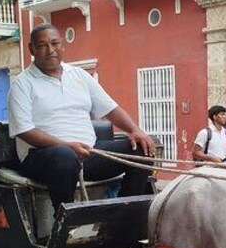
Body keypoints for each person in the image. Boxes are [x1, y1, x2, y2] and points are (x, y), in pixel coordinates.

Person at [8, 23, 156, 209]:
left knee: (142, 149)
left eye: (55, 44)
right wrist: (67, 145)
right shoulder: (22, 84)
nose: (50, 50)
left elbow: (110, 109)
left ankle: (123, 212)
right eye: (42, 45)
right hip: (42, 158)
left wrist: (135, 130)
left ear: (62, 45)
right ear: (32, 49)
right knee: (64, 156)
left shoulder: (79, 75)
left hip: (88, 152)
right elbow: (24, 130)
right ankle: (65, 221)